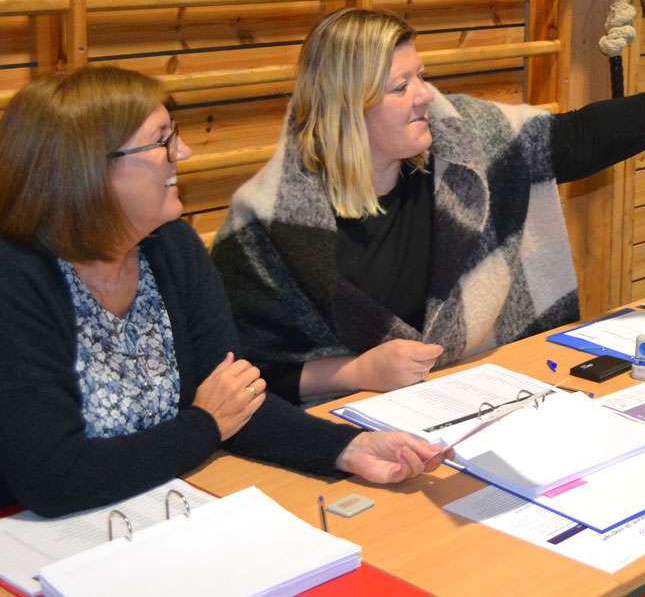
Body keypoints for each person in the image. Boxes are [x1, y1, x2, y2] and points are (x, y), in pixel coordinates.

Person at [211, 8, 645, 404]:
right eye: (399, 85)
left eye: (422, 76)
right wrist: (357, 371)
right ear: (343, 108)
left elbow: (578, 139)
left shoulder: (460, 140)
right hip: (347, 426)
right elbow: (248, 371)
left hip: (485, 393)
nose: (424, 97)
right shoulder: (266, 223)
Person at [0, 66, 446, 518]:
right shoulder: (17, 279)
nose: (184, 152)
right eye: (162, 141)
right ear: (92, 170)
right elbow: (52, 479)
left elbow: (238, 403)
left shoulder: (171, 246)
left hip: (153, 506)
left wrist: (349, 448)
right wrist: (204, 425)